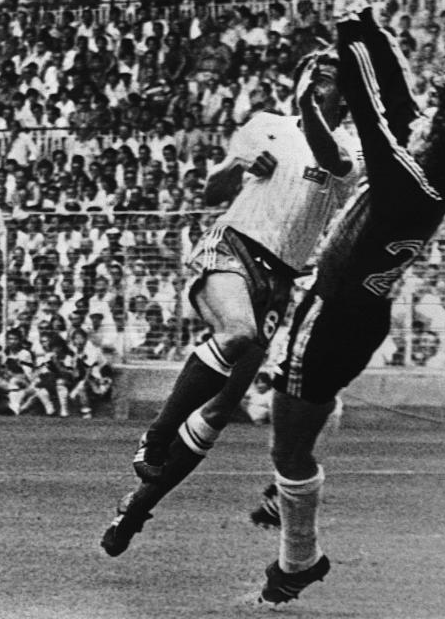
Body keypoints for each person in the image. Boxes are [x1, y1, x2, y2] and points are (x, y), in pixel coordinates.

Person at [253, 0, 445, 605]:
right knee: (295, 425)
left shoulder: (409, 185)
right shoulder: (432, 171)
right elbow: (388, 78)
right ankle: (292, 509)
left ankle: (298, 556)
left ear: (435, 143)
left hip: (332, 314)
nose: (416, 123)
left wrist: (341, 14)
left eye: (427, 126)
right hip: (363, 318)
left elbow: (365, 100)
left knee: (287, 444)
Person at [101, 45, 359, 556]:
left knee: (219, 410)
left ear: (347, 96)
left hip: (280, 278)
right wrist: (239, 160)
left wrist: (309, 111)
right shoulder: (266, 123)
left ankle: (136, 508)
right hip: (234, 245)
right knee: (236, 331)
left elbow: (333, 163)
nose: (316, 82)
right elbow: (213, 187)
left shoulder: (352, 144)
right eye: (312, 73)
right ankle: (156, 435)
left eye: (328, 78)